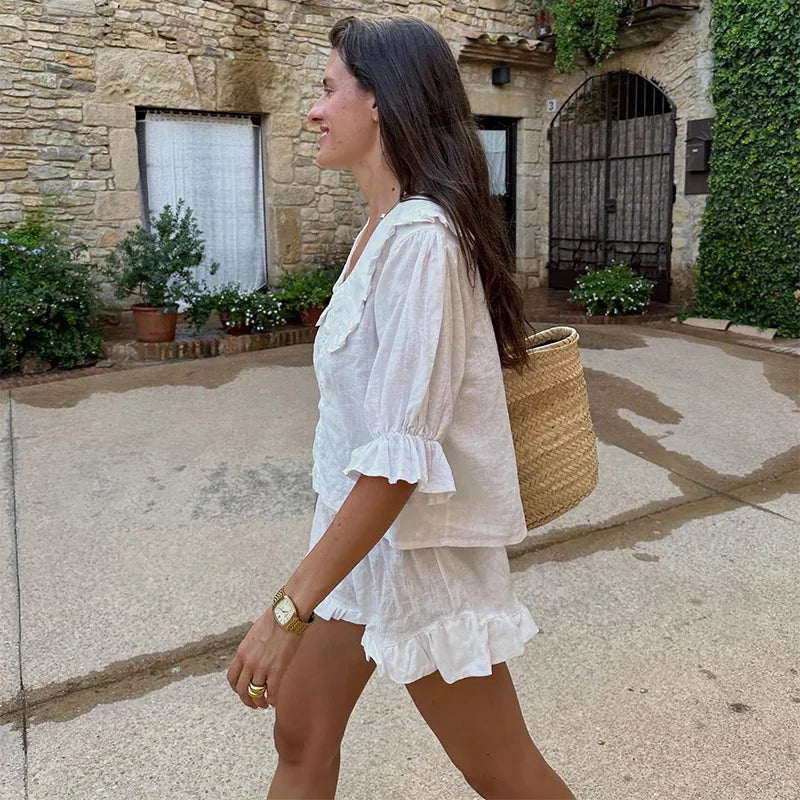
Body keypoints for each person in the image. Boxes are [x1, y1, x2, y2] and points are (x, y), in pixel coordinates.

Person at [227, 14, 575, 800]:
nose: (314, 110)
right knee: (300, 734)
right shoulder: (380, 230)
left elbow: (398, 462)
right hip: (358, 548)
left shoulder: (422, 239)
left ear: (380, 100)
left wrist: (285, 611)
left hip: (419, 554)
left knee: (503, 772)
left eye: (329, 90)